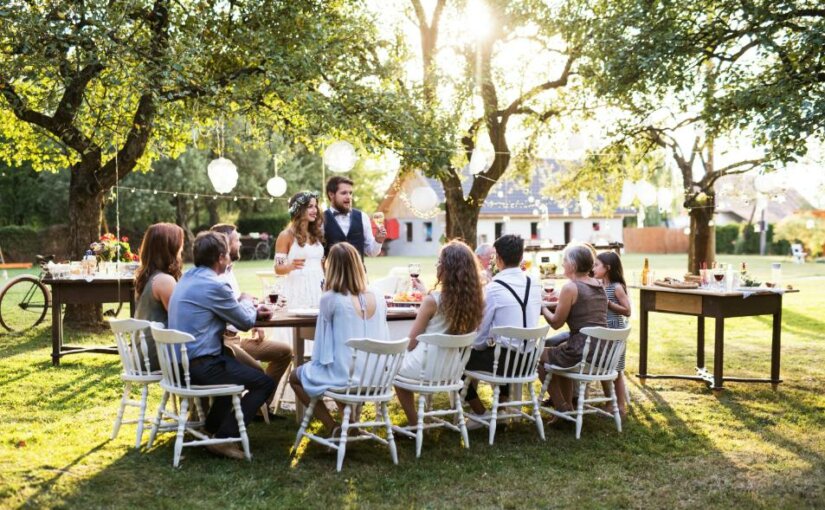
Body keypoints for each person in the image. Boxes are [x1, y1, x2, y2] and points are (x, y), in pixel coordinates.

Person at [168, 231, 275, 460]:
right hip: (200, 366)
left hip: (177, 366)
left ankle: (209, 431)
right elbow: (245, 322)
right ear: (221, 258)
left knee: (233, 372)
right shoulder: (214, 285)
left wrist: (243, 307)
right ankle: (224, 439)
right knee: (264, 382)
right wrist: (246, 300)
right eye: (227, 253)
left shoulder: (187, 278)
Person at [288, 242, 390, 435]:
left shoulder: (330, 299)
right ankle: (350, 424)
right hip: (377, 377)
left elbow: (322, 348)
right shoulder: (378, 295)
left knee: (299, 376)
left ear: (331, 268)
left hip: (347, 378)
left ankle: (332, 426)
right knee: (340, 368)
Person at [394, 240, 486, 425]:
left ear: (448, 269)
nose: (436, 265)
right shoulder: (477, 301)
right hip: (452, 369)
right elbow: (448, 304)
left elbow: (411, 343)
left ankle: (415, 424)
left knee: (394, 373)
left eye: (439, 262)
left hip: (425, 368)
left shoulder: (431, 301)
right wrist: (425, 291)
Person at [211, 223, 291, 416]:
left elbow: (237, 306)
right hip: (224, 341)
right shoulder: (217, 277)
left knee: (285, 352)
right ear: (225, 244)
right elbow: (231, 312)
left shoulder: (230, 272)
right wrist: (252, 316)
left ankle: (257, 407)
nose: (239, 243)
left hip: (238, 337)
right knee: (258, 374)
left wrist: (255, 313)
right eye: (237, 240)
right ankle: (249, 407)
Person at [464, 234, 542, 427]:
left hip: (506, 363)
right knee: (503, 350)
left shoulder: (494, 288)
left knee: (455, 360)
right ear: (521, 256)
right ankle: (501, 409)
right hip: (529, 361)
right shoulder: (535, 283)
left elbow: (481, 335)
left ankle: (482, 414)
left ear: (497, 258)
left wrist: (477, 346)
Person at [538, 244, 608, 420]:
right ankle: (568, 404)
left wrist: (542, 306)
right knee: (559, 355)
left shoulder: (570, 287)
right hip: (602, 350)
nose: (562, 264)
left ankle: (562, 407)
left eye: (565, 261)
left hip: (581, 351)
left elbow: (555, 323)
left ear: (573, 265)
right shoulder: (599, 285)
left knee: (536, 355)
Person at [134, 223, 184, 371]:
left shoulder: (150, 277)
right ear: (169, 248)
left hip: (142, 353)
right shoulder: (164, 281)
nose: (181, 250)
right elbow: (180, 319)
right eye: (179, 245)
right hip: (155, 355)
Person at [594, 251, 631, 417]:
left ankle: (620, 407)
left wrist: (608, 303)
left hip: (615, 332)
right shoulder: (600, 285)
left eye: (596, 265)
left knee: (616, 372)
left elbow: (627, 310)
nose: (593, 267)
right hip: (604, 331)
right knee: (603, 368)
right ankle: (610, 403)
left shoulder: (616, 287)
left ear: (607, 268)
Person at [274, 191, 326, 309]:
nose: (315, 210)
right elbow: (278, 268)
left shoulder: (316, 233)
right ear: (298, 210)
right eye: (310, 207)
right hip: (297, 290)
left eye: (315, 206)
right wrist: (290, 266)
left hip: (318, 288)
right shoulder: (286, 235)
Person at [323, 175, 386, 258]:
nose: (349, 197)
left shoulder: (363, 217)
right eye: (344, 193)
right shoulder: (321, 219)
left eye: (350, 193)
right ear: (331, 194)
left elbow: (371, 253)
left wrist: (378, 240)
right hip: (332, 271)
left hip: (358, 271)